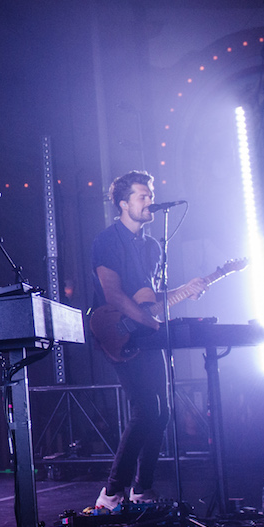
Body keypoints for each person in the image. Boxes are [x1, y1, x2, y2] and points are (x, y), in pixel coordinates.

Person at [91, 171, 206, 509]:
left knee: (163, 413)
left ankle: (142, 489)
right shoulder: (107, 241)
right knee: (145, 411)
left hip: (148, 331)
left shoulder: (154, 246)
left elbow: (150, 298)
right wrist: (150, 323)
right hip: (118, 332)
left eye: (150, 194)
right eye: (142, 195)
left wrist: (188, 290)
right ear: (123, 203)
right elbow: (113, 294)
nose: (149, 200)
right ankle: (111, 493)